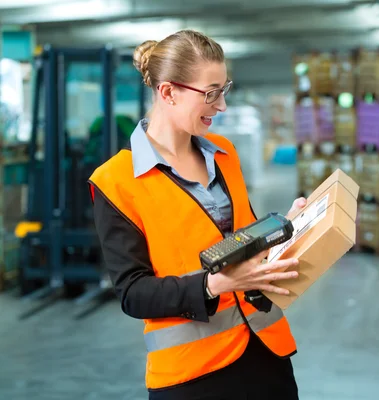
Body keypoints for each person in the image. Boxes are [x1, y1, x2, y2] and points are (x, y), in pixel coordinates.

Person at [88, 29, 306, 400]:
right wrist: (214, 285)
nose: (221, 106)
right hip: (193, 376)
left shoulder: (223, 152)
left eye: (224, 89)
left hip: (266, 355)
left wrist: (288, 228)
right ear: (168, 92)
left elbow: (245, 239)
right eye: (211, 93)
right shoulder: (115, 181)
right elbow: (133, 293)